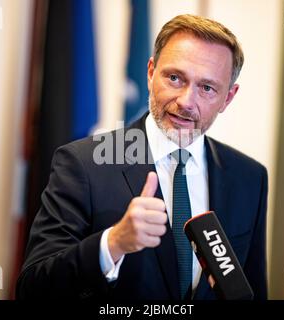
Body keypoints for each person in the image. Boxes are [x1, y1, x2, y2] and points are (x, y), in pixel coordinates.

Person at [16, 14, 268, 300]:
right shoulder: (84, 163)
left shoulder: (250, 178)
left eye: (207, 88)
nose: (186, 101)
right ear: (150, 73)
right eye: (175, 78)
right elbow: (32, 289)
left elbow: (252, 290)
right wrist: (113, 243)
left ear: (228, 98)